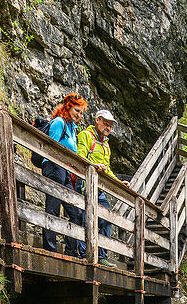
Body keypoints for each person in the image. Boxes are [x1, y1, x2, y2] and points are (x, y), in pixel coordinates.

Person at [76, 109, 125, 264]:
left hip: (99, 189)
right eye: (105, 123)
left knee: (106, 218)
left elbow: (107, 169)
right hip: (84, 184)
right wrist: (93, 165)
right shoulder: (86, 135)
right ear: (97, 120)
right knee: (84, 217)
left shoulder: (106, 145)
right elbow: (79, 155)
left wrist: (118, 182)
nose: (108, 128)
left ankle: (102, 256)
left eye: (110, 126)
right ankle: (83, 254)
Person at [41, 93, 87, 255]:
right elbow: (50, 147)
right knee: (53, 207)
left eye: (82, 113)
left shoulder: (72, 130)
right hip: (54, 167)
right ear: (68, 107)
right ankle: (50, 249)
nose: (79, 115)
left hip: (65, 172)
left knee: (76, 212)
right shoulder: (59, 123)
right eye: (77, 110)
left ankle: (71, 252)